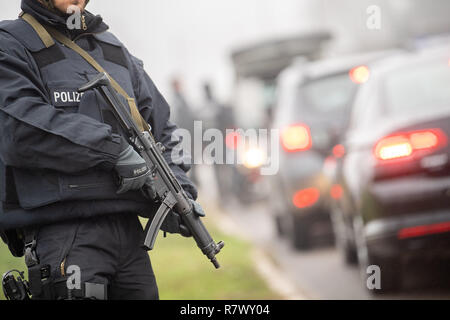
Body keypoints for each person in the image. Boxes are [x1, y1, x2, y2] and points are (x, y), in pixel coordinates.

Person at [0, 0, 202, 300]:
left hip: (129, 235)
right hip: (64, 233)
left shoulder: (111, 48)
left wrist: (178, 191)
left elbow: (162, 128)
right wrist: (114, 150)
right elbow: (21, 128)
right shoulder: (11, 43)